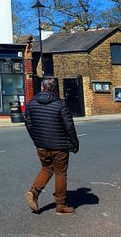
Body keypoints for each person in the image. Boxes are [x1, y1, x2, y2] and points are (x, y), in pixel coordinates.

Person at [24, 78, 79, 215]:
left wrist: (37, 140)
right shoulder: (60, 104)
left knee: (47, 168)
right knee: (60, 173)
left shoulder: (31, 104)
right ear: (54, 89)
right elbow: (69, 126)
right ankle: (60, 205)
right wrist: (74, 143)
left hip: (41, 146)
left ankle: (34, 192)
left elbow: (29, 125)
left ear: (42, 88)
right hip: (59, 147)